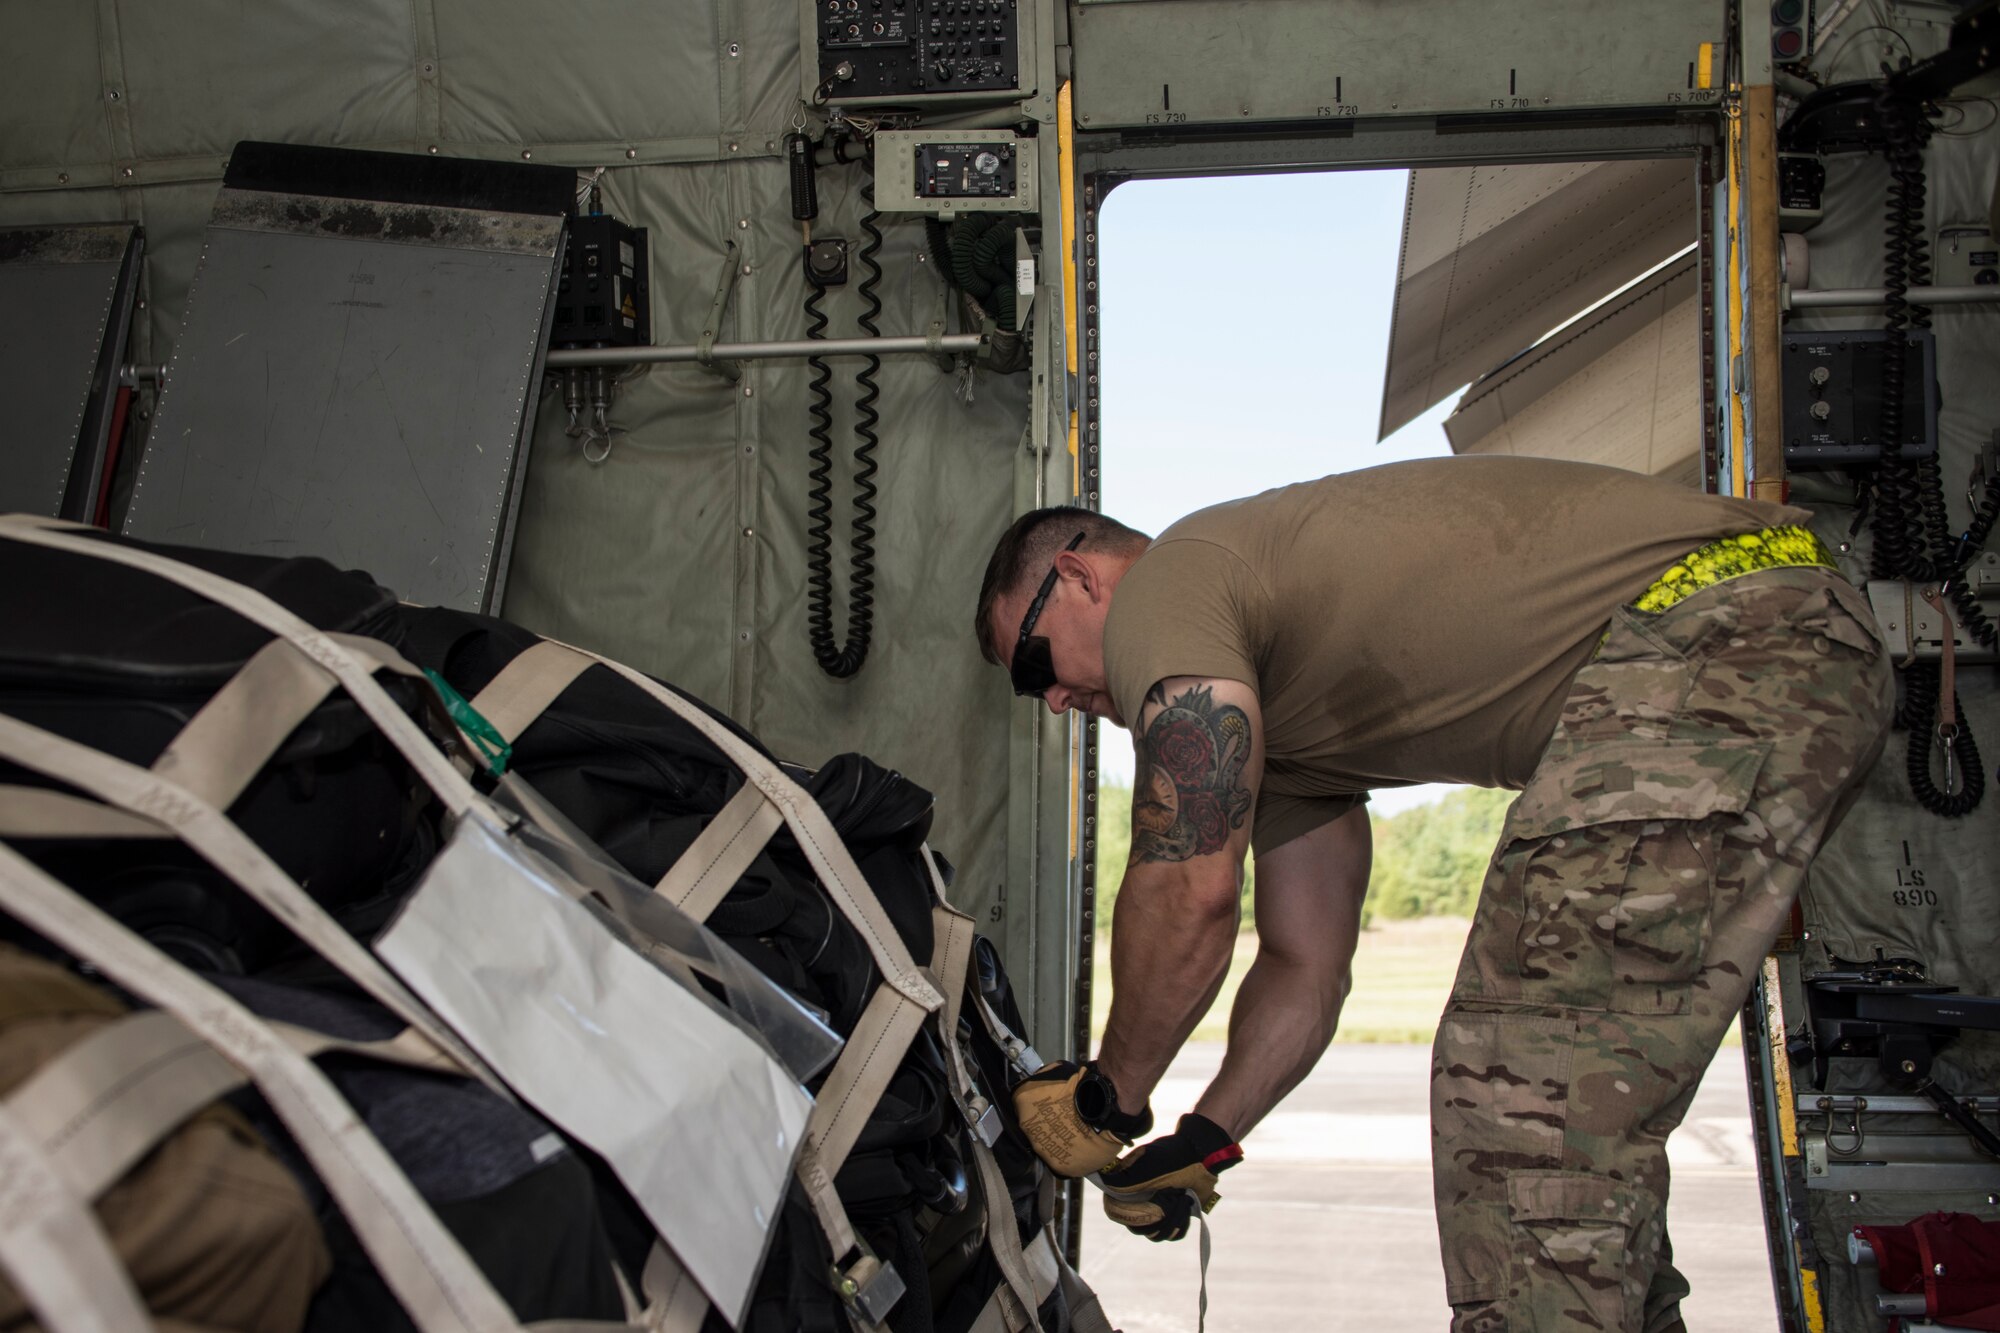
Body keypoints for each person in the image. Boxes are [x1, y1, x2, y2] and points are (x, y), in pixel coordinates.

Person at [972, 456, 1892, 1332]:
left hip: (1718, 636)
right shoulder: (1290, 741)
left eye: (1034, 664)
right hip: (1767, 647)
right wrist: (1208, 1133)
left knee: (1516, 1105)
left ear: (1080, 576)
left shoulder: (1167, 583)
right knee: (1567, 1122)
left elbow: (1189, 885)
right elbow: (1306, 964)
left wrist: (1109, 1101)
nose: (1050, 701)